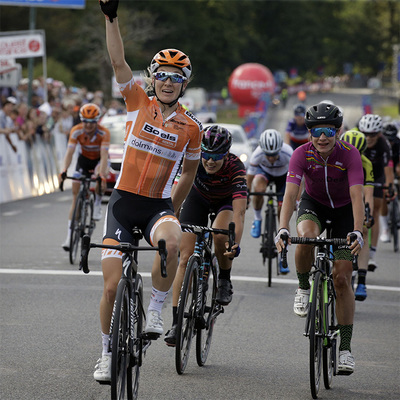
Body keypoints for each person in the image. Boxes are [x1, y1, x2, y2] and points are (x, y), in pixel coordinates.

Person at [93, 0, 202, 382]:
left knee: (172, 241)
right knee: (110, 286)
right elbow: (118, 62)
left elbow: (188, 173)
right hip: (123, 203)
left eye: (176, 76)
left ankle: (156, 307)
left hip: (157, 204)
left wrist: (171, 209)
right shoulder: (138, 101)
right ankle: (106, 353)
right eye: (163, 75)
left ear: (184, 83)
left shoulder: (192, 128)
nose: (168, 81)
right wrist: (111, 18)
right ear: (152, 78)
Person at [275, 102, 364, 375]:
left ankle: (346, 349)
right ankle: (303, 288)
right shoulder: (301, 154)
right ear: (309, 132)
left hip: (344, 213)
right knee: (306, 237)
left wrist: (358, 231)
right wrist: (281, 228)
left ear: (338, 131)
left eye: (328, 130)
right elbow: (290, 195)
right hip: (313, 204)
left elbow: (357, 196)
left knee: (341, 278)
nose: (322, 137)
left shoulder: (350, 155)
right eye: (315, 131)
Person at [164, 125, 246, 346]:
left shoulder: (235, 167)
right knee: (184, 258)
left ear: (226, 154)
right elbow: (176, 194)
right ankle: (176, 323)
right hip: (197, 197)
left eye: (217, 157)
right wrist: (170, 222)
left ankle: (224, 279)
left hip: (225, 202)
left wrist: (234, 242)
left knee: (220, 236)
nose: (210, 161)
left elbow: (239, 212)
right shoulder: (191, 158)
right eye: (207, 156)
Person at [60, 103, 110, 250]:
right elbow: (69, 153)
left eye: (92, 122)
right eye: (85, 122)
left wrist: (100, 174)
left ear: (97, 121)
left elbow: (104, 155)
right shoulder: (75, 131)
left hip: (99, 161)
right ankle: (70, 238)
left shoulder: (104, 132)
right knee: (75, 198)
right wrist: (64, 170)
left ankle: (97, 203)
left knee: (102, 177)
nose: (88, 126)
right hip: (83, 161)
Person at [247, 129, 293, 273]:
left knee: (282, 213)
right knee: (258, 188)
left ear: (280, 149)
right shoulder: (258, 154)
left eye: (274, 155)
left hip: (283, 176)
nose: (271, 158)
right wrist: (248, 194)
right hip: (264, 172)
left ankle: (282, 257)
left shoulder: (288, 153)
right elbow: (249, 178)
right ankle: (257, 218)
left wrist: (296, 199)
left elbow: (299, 178)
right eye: (268, 155)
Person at [358, 114, 396, 270]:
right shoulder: (358, 140)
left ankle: (372, 253)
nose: (368, 137)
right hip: (360, 173)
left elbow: (388, 169)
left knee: (374, 211)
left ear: (379, 133)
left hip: (377, 175)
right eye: (365, 133)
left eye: (372, 134)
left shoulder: (383, 144)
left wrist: (389, 185)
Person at [340, 130, 374, 301]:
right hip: (338, 199)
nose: (354, 154)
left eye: (358, 152)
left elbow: (368, 193)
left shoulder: (366, 163)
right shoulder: (336, 157)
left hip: (356, 200)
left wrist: (368, 213)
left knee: (365, 230)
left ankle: (361, 280)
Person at [379, 121, 400, 242]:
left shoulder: (398, 143)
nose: (390, 143)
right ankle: (385, 228)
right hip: (384, 167)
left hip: (395, 164)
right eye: (389, 140)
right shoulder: (381, 144)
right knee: (383, 194)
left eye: (392, 140)